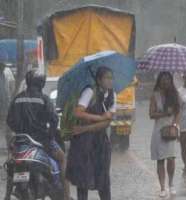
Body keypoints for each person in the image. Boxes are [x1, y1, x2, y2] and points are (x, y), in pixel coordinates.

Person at [6, 69, 71, 200]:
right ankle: (66, 196)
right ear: (42, 83)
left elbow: (9, 120)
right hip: (40, 140)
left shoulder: (17, 99)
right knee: (63, 159)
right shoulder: (44, 99)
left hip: (20, 142)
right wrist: (50, 136)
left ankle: (6, 195)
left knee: (11, 165)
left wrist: (19, 130)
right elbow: (54, 120)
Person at [66, 66, 117, 200]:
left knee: (103, 179)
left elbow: (107, 122)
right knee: (83, 179)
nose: (110, 81)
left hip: (100, 142)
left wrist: (85, 129)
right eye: (107, 78)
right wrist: (100, 117)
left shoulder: (112, 94)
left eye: (111, 78)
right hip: (84, 143)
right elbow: (78, 112)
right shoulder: (90, 91)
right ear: (99, 80)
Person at [149, 71, 180, 198]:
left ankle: (171, 184)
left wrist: (175, 126)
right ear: (159, 81)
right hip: (158, 131)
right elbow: (151, 114)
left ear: (171, 81)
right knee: (160, 160)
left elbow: (178, 113)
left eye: (168, 79)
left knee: (171, 159)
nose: (165, 81)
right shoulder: (154, 96)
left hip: (171, 129)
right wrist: (164, 113)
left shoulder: (175, 95)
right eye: (163, 79)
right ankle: (162, 187)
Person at [0, 61, 15, 148]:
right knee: (6, 127)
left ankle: (8, 146)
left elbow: (12, 86)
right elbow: (12, 86)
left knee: (7, 128)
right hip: (5, 106)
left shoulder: (6, 71)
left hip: (5, 106)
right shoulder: (7, 71)